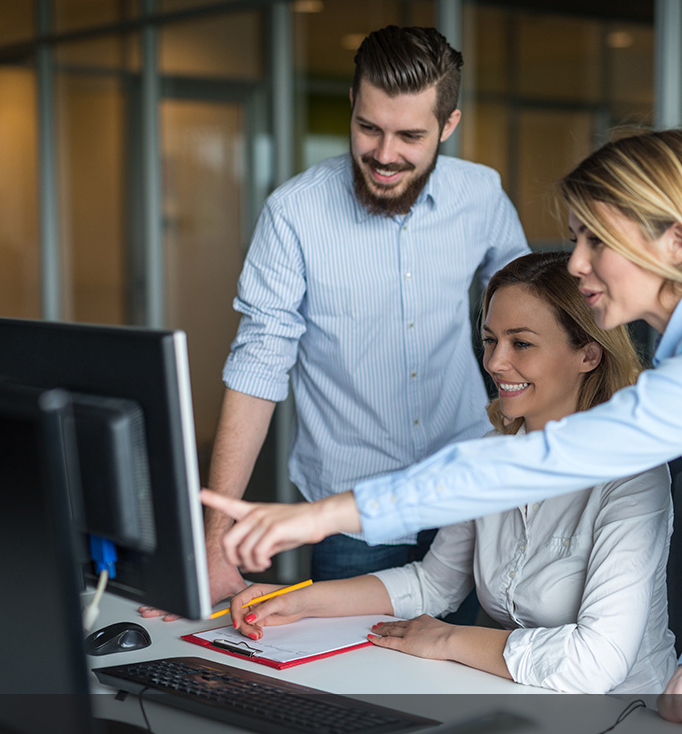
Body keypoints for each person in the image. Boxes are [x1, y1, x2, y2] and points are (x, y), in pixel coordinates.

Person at [202, 128, 682, 731]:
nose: (578, 264)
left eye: (596, 240)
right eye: (576, 239)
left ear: (674, 241)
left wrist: (320, 515)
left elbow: (551, 460)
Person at [143, 26, 528, 619]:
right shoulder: (294, 213)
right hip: (351, 512)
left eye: (411, 135)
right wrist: (217, 533)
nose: (384, 153)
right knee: (353, 689)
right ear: (352, 103)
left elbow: (537, 318)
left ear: (448, 126)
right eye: (369, 127)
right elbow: (259, 364)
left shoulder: (481, 195)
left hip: (466, 492)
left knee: (460, 676)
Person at [223, 251, 676, 694]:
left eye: (521, 343)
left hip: (627, 712)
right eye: (490, 340)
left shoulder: (634, 475)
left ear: (588, 356)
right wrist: (297, 600)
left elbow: (595, 663)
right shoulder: (492, 453)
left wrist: (446, 638)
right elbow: (432, 584)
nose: (496, 363)